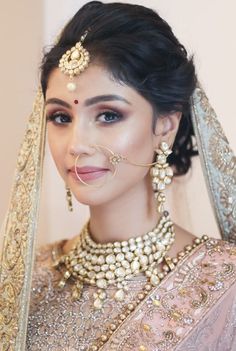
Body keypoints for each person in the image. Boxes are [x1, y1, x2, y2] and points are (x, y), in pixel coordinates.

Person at [0, 1, 236, 350]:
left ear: (165, 126)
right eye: (61, 117)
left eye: (109, 115)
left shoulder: (224, 283)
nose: (77, 145)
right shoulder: (23, 280)